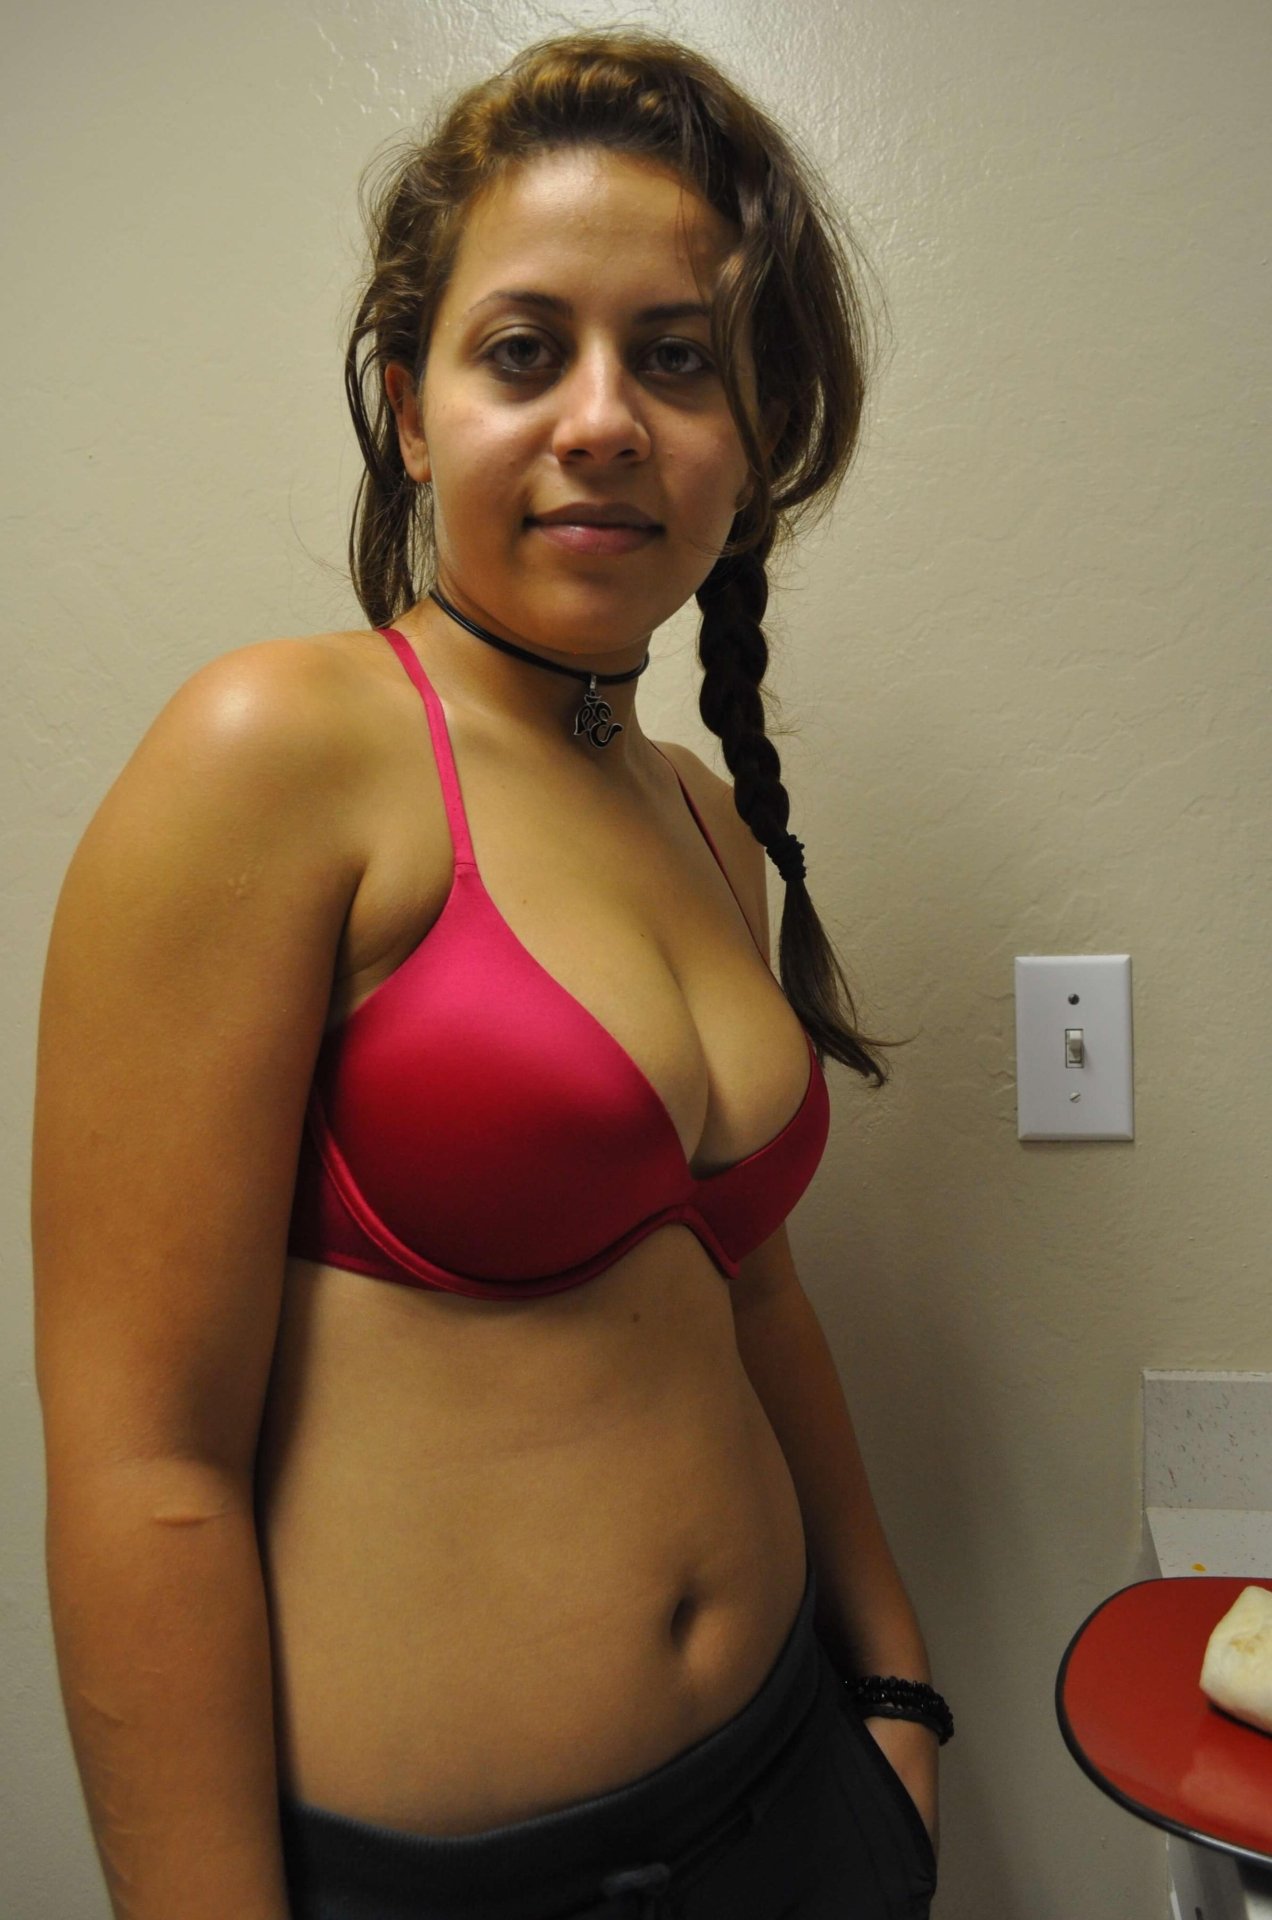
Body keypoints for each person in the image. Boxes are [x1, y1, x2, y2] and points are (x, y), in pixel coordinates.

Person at [31, 27, 951, 1920]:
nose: (603, 419)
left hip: (800, 1792)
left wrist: (895, 1689)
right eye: (526, 351)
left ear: (750, 428)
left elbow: (758, 1295)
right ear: (411, 407)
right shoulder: (272, 755)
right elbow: (145, 1470)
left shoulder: (703, 820)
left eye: (677, 359)